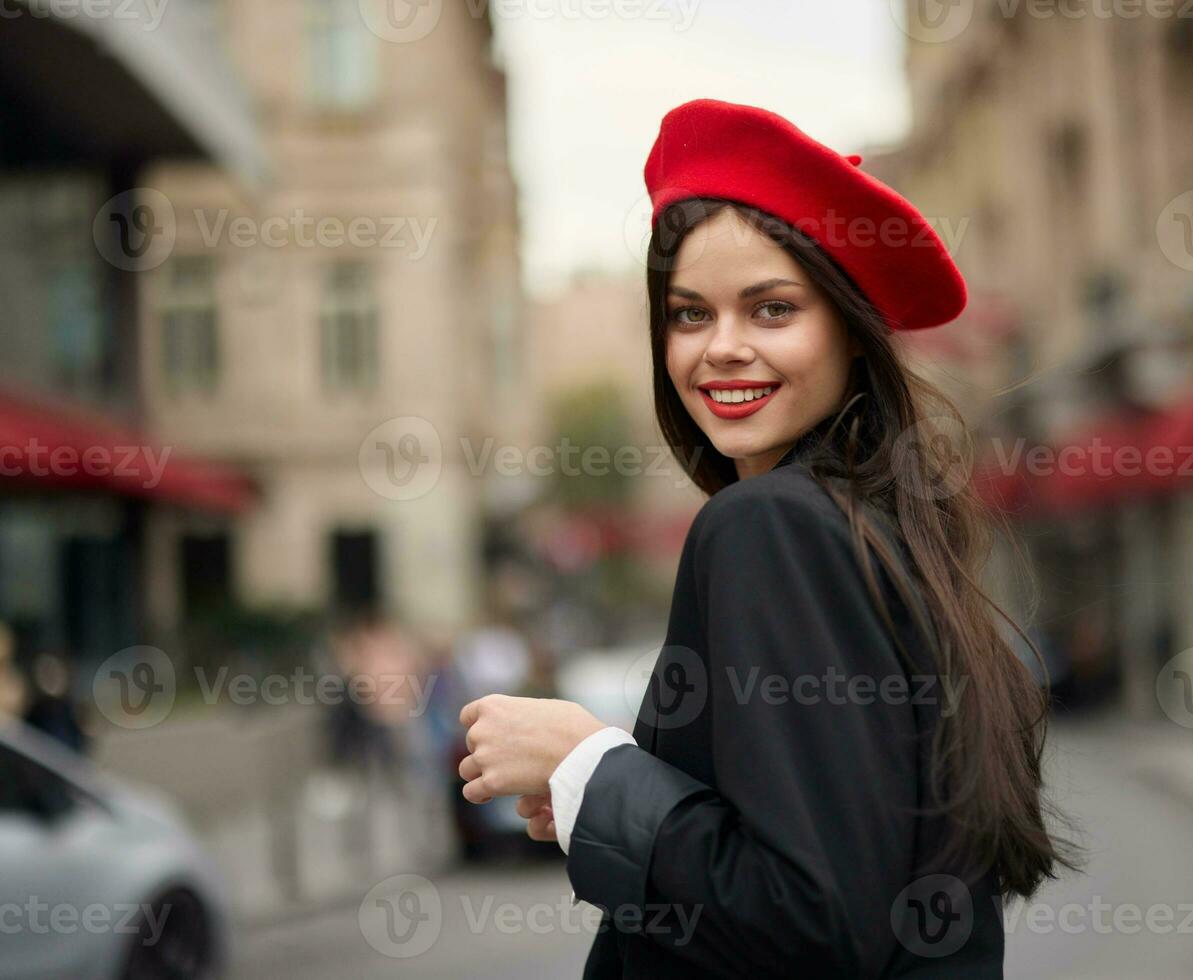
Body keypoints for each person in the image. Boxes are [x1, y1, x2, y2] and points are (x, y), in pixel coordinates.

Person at [458, 98, 1077, 977]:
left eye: (772, 310)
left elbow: (813, 923)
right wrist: (611, 795)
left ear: (850, 335)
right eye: (689, 315)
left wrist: (591, 769)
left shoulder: (769, 524)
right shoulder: (868, 525)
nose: (723, 348)